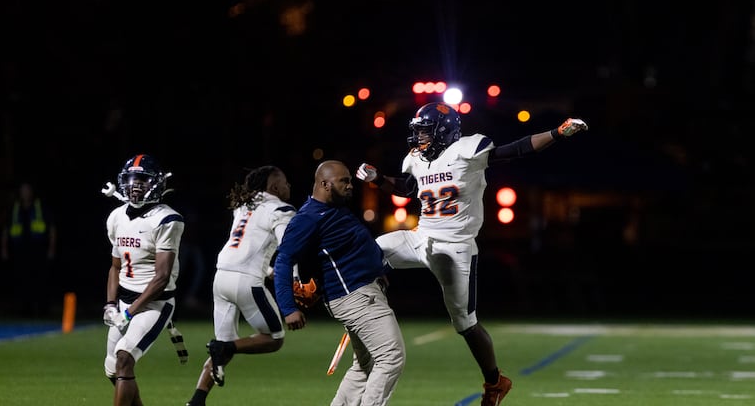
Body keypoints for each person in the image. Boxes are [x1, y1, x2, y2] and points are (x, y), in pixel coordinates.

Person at [355, 102, 588, 406]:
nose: (419, 138)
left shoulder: (468, 149)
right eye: (418, 132)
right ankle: (327, 292)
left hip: (456, 247)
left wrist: (557, 133)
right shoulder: (416, 158)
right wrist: (377, 179)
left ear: (443, 131)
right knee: (370, 251)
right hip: (421, 237)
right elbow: (408, 187)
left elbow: (517, 149)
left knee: (465, 324)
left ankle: (495, 381)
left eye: (425, 131)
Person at [273, 160, 405, 406]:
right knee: (390, 356)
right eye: (343, 180)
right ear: (324, 184)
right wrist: (288, 308)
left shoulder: (333, 209)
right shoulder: (308, 218)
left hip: (360, 293)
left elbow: (351, 249)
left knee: (365, 366)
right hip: (355, 297)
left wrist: (377, 269)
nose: (350, 185)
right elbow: (283, 260)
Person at [186, 165, 296, 406]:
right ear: (274, 187)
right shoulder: (281, 209)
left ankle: (196, 401)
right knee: (274, 338)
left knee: (222, 349)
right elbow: (288, 249)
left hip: (221, 277)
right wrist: (294, 278)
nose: (289, 186)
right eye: (285, 182)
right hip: (246, 282)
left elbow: (245, 246)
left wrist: (267, 270)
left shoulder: (244, 206)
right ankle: (225, 347)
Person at [101, 153, 185, 406]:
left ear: (157, 184)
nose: (135, 186)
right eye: (131, 179)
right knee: (113, 370)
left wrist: (127, 315)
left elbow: (161, 277)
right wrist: (110, 304)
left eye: (143, 180)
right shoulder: (116, 217)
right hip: (124, 301)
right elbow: (115, 268)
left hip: (155, 304)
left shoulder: (167, 219)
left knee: (124, 358)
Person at [0, 181, 58, 317]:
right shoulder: (14, 208)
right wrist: (4, 249)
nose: (25, 193)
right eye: (23, 190)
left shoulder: (40, 207)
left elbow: (52, 228)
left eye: (28, 190)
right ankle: (23, 311)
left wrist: (51, 249)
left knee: (40, 281)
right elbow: (6, 229)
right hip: (19, 252)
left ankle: (42, 311)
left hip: (38, 251)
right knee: (21, 282)